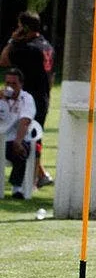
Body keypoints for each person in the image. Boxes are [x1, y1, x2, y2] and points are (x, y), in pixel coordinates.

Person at [0, 11, 54, 187]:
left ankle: (31, 179)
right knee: (34, 137)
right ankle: (39, 175)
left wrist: (12, 40)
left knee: (27, 139)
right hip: (43, 96)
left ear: (25, 28)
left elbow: (4, 60)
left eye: (19, 26)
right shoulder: (47, 46)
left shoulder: (28, 49)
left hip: (30, 99)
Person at [0, 69, 36, 199]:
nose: (9, 87)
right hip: (0, 138)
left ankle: (17, 188)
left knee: (20, 151)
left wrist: (18, 140)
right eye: (7, 83)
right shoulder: (1, 97)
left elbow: (25, 121)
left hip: (16, 138)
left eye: (14, 84)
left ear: (21, 84)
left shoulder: (26, 99)